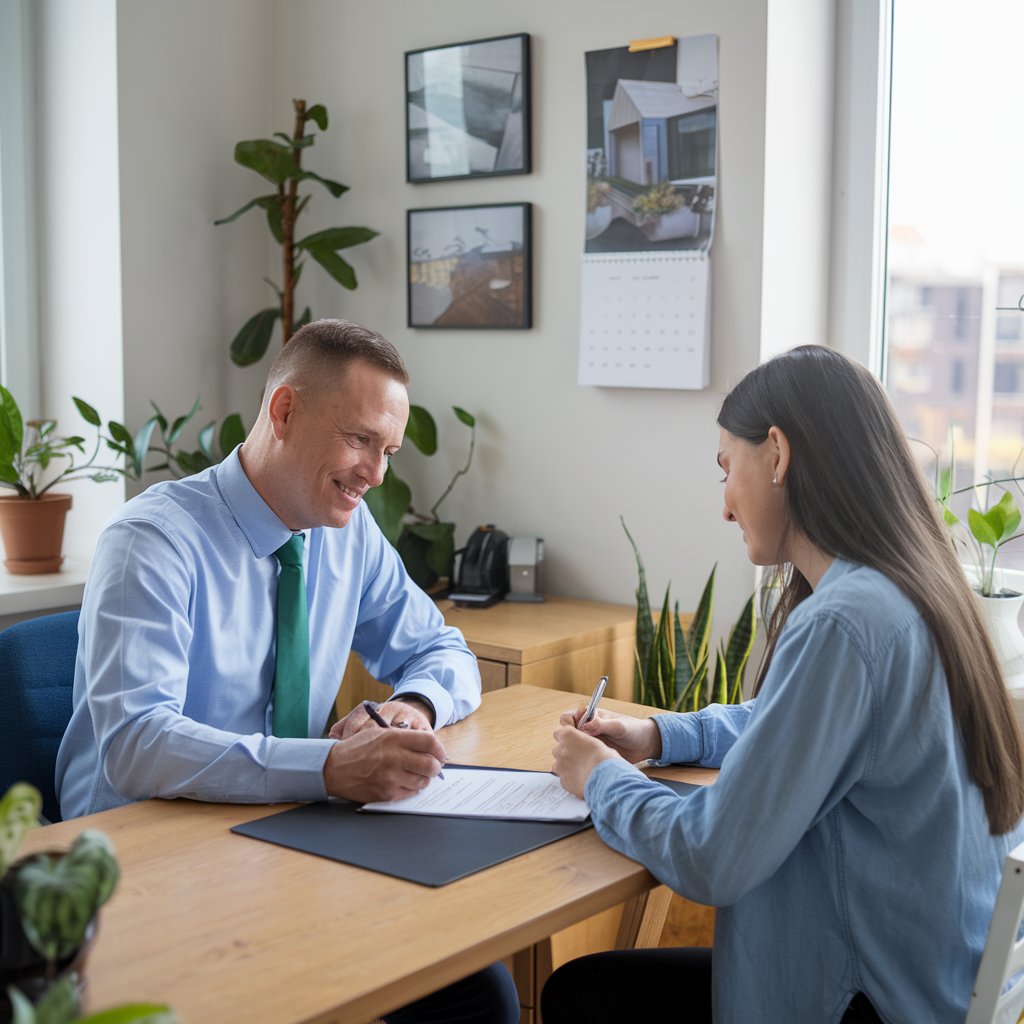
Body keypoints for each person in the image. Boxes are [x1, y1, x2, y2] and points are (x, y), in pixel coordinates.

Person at [55, 318, 520, 1024]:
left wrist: (412, 709)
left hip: (284, 837)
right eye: (361, 439)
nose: (377, 472)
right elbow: (136, 746)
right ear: (284, 410)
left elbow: (443, 652)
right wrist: (330, 770)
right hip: (143, 864)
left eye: (387, 450)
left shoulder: (348, 529)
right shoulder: (152, 542)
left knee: (476, 992)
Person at [544, 345, 1024, 1024]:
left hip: (863, 999)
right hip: (928, 983)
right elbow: (800, 724)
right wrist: (657, 734)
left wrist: (596, 777)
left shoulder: (846, 622)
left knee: (582, 995)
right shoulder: (916, 591)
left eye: (725, 472)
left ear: (777, 453)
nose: (725, 507)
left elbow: (713, 856)